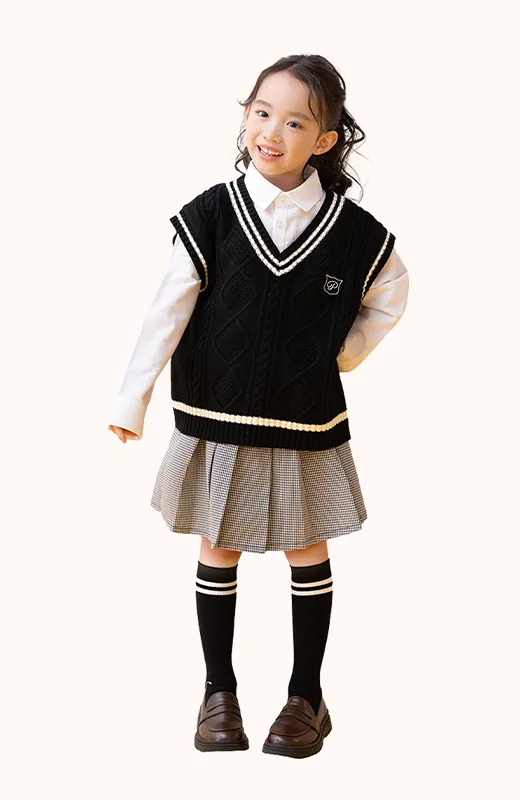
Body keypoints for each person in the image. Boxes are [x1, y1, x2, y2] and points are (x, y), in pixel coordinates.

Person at [108, 53, 409, 758]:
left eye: (295, 122)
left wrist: (341, 355)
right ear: (244, 115)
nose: (273, 131)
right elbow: (166, 311)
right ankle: (219, 694)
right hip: (219, 416)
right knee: (219, 544)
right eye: (262, 112)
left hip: (306, 421)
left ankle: (306, 697)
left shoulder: (355, 234)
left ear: (325, 141)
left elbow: (392, 294)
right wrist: (132, 398)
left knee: (308, 548)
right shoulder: (212, 215)